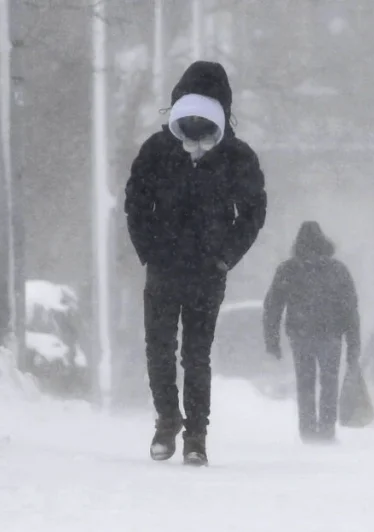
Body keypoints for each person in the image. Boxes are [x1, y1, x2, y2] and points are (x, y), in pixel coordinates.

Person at [124, 61, 267, 466]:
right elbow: (136, 203)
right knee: (162, 348)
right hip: (167, 266)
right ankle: (169, 422)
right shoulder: (157, 150)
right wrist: (150, 250)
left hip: (205, 270)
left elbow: (253, 212)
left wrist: (224, 257)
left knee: (193, 353)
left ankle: (195, 434)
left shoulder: (236, 157)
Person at [263, 222, 360, 444]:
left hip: (301, 335)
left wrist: (272, 341)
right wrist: (353, 344)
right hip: (331, 335)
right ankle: (326, 429)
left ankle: (307, 430)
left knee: (305, 382)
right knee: (329, 382)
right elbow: (350, 309)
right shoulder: (337, 270)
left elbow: (273, 306)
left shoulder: (288, 269)